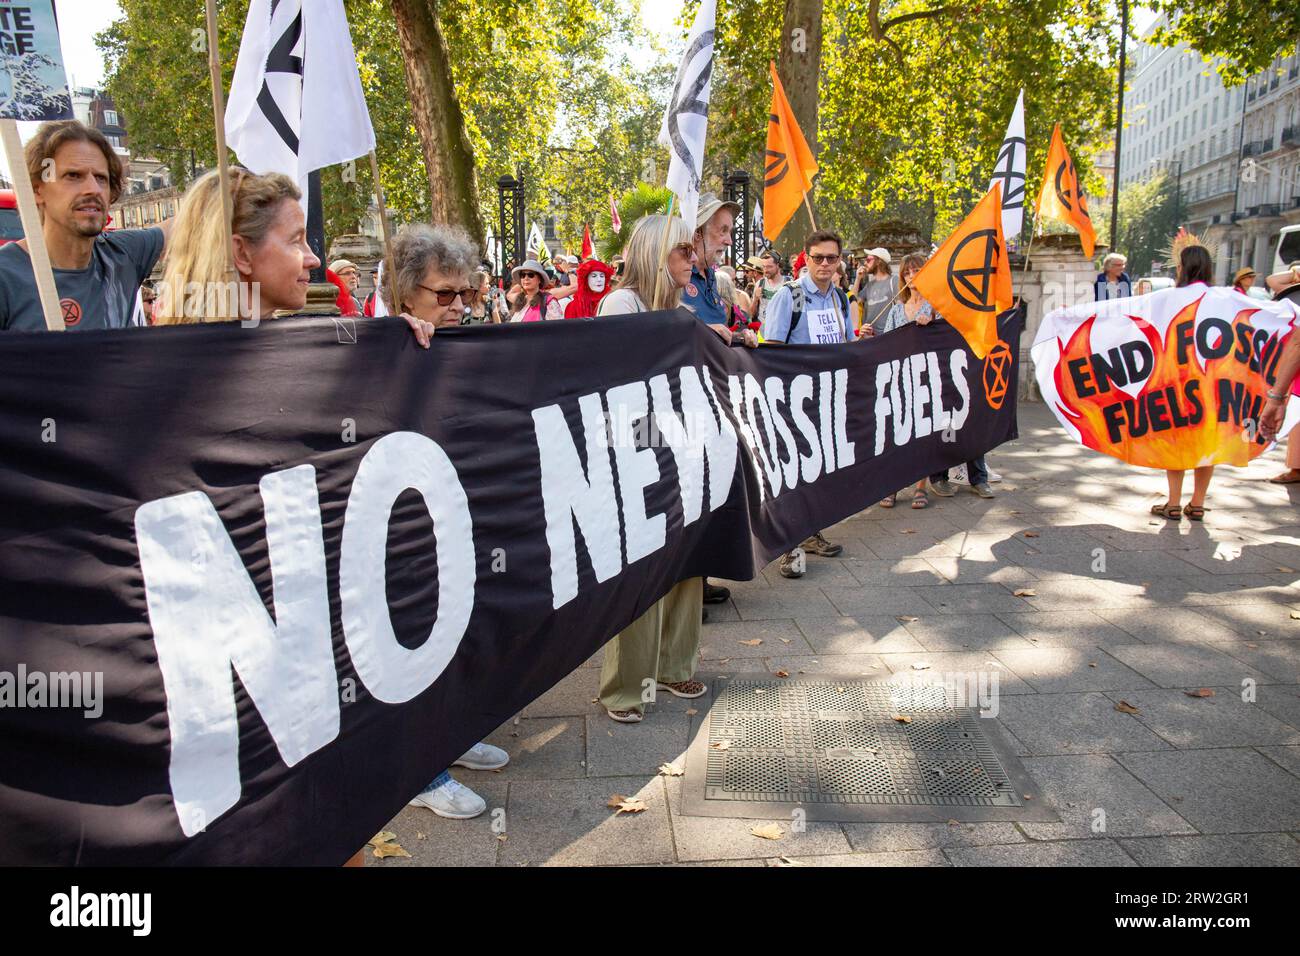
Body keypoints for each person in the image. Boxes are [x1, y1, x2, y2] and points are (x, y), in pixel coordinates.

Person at [594, 214, 754, 721]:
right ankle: (626, 686)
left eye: (692, 249)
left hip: (682, 445)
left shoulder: (679, 305)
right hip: (641, 448)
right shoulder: (621, 303)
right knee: (645, 565)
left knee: (687, 561)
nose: (693, 257)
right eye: (683, 250)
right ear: (654, 254)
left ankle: (673, 664)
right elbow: (619, 384)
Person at [0, 120, 170, 332]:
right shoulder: (6, 277)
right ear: (36, 190)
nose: (93, 189)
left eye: (101, 178)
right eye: (73, 176)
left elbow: (185, 224)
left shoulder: (121, 255)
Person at [760, 230, 851, 577]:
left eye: (831, 258)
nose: (825, 264)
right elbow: (771, 349)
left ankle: (810, 532)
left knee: (819, 471)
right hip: (794, 402)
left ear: (840, 260)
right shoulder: (789, 296)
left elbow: (847, 343)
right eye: (818, 257)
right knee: (793, 473)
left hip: (828, 400)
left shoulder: (840, 300)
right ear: (806, 258)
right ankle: (790, 545)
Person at [869, 252, 947, 509]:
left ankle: (920, 485)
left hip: (927, 378)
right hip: (900, 378)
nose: (912, 276)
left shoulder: (937, 307)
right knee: (896, 431)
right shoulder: (895, 310)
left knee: (921, 432)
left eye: (917, 271)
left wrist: (933, 324)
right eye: (908, 272)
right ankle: (892, 484)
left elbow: (948, 340)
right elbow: (887, 344)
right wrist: (868, 335)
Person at [1152, 242, 1216, 521]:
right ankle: (1198, 503)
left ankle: (1174, 502)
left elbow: (1130, 317)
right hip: (1213, 382)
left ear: (1181, 268)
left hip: (1177, 380)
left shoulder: (1169, 298)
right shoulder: (1223, 299)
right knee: (1207, 442)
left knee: (1176, 440)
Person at [681, 192, 741, 344]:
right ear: (697, 233)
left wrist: (740, 337)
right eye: (723, 230)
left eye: (730, 232)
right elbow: (665, 334)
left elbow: (718, 334)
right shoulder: (675, 276)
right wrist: (705, 330)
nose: (730, 241)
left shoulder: (711, 276)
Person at [850, 247, 898, 334]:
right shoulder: (869, 285)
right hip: (868, 336)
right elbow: (853, 301)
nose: (865, 263)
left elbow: (901, 306)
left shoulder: (894, 281)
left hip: (886, 335)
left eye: (868, 260)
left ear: (879, 261)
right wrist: (858, 279)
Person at [747, 251, 787, 328]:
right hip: (763, 328)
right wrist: (755, 299)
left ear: (778, 266)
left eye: (769, 267)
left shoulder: (788, 283)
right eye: (764, 267)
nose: (765, 270)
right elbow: (751, 314)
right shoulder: (760, 283)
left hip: (782, 328)